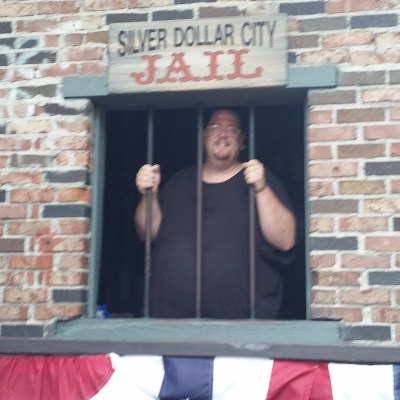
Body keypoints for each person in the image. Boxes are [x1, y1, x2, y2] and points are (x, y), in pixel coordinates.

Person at [135, 109, 296, 319]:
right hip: (170, 322)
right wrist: (148, 195)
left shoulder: (261, 181)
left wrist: (261, 189)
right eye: (215, 128)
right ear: (204, 136)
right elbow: (147, 233)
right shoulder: (179, 182)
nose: (222, 134)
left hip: (243, 326)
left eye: (231, 129)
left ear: (242, 141)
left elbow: (285, 240)